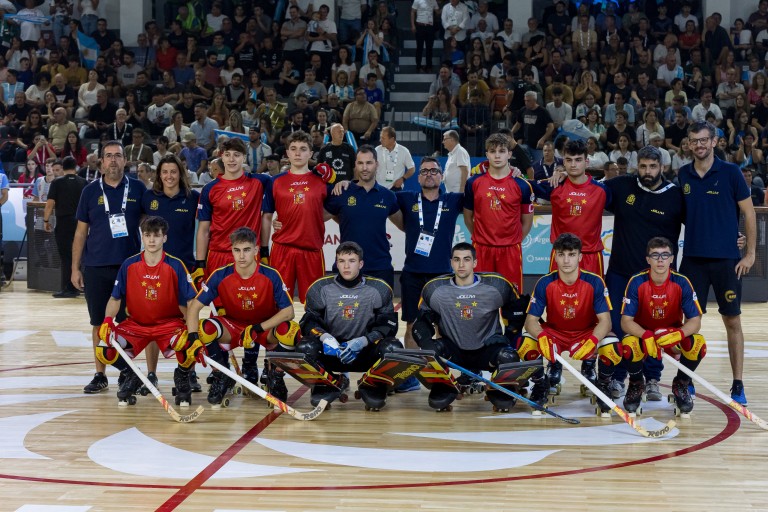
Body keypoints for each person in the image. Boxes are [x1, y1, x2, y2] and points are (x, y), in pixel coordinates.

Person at [678, 121, 756, 405]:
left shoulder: (732, 172)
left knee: (732, 320)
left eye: (703, 140)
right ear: (688, 144)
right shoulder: (683, 174)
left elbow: (748, 213)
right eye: (693, 141)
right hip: (693, 261)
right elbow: (684, 214)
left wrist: (749, 253)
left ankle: (738, 383)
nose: (698, 145)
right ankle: (684, 381)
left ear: (714, 142)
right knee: (690, 323)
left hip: (727, 261)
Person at [601, 145, 685, 400]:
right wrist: (558, 174)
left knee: (654, 329)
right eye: (643, 166)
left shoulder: (676, 195)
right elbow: (584, 190)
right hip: (620, 273)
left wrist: (734, 237)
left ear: (662, 167)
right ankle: (618, 377)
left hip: (658, 279)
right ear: (637, 165)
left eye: (653, 166)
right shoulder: (621, 186)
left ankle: (652, 379)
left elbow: (704, 222)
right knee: (617, 327)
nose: (647, 172)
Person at [94, 216, 203, 406]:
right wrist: (108, 320)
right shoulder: (129, 265)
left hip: (169, 325)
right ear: (142, 237)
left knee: (188, 341)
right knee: (104, 347)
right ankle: (131, 376)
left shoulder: (176, 265)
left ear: (165, 238)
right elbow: (115, 298)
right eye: (147, 235)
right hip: (136, 326)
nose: (152, 240)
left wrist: (194, 334)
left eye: (156, 235)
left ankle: (183, 378)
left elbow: (192, 301)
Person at [71, 140, 151, 394]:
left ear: (125, 161)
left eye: (118, 156)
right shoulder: (89, 190)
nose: (113, 160)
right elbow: (81, 233)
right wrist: (75, 267)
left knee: (129, 325)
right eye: (108, 156)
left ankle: (129, 373)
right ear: (101, 162)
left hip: (130, 267)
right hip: (95, 266)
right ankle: (100, 374)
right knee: (99, 323)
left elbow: (152, 226)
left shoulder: (138, 188)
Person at [411, 242, 527, 411]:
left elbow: (516, 313)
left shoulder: (497, 285)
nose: (461, 264)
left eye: (466, 259)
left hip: (487, 349)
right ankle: (444, 387)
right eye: (457, 260)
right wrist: (427, 345)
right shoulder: (434, 288)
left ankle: (501, 388)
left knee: (508, 356)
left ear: (475, 263)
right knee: (428, 354)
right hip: (453, 350)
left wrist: (507, 338)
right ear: (451, 263)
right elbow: (421, 322)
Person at [186, 227, 295, 405]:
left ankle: (276, 378)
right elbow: (194, 308)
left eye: (246, 250)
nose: (241, 256)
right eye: (237, 250)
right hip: (234, 327)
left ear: (256, 250)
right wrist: (192, 339)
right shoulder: (221, 275)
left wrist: (258, 328)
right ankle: (222, 375)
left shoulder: (271, 275)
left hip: (263, 327)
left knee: (290, 331)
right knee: (204, 329)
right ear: (232, 251)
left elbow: (288, 312)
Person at [195, 137, 273, 385]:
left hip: (249, 256)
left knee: (253, 309)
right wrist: (199, 264)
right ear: (221, 157)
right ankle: (223, 369)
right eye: (227, 154)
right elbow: (204, 229)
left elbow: (289, 179)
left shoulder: (259, 182)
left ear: (244, 158)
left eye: (236, 155)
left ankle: (251, 366)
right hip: (218, 256)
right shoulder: (210, 189)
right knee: (220, 314)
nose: (231, 159)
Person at [289, 241, 400, 409]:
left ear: (361, 264)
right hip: (332, 352)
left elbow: (388, 326)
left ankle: (372, 385)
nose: (346, 266)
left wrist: (363, 341)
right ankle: (328, 383)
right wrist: (325, 337)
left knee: (393, 347)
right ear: (336, 263)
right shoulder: (320, 288)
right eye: (341, 261)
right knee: (304, 347)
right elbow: (308, 322)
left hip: (364, 351)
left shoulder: (379, 288)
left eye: (352, 261)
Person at [616, 236, 706, 416]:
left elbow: (695, 320)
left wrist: (680, 334)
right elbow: (625, 322)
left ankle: (681, 384)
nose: (660, 260)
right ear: (647, 259)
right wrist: (646, 335)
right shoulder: (636, 282)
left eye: (665, 255)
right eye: (655, 255)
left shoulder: (682, 282)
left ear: (672, 258)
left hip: (671, 335)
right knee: (628, 344)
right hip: (644, 336)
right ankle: (635, 384)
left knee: (697, 343)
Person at [521, 233, 613, 410]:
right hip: (555, 333)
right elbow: (530, 321)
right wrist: (541, 336)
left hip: (586, 332)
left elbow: (605, 321)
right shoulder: (545, 282)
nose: (566, 260)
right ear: (555, 256)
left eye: (571, 254)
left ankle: (603, 385)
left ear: (580, 257)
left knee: (612, 346)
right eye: (561, 254)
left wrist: (593, 340)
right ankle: (541, 385)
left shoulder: (594, 281)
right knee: (526, 343)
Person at [261, 131, 332, 303]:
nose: (298, 153)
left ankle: (312, 331)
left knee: (315, 303)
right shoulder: (274, 181)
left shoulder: (322, 181)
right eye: (293, 149)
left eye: (302, 149)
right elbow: (267, 216)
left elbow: (334, 210)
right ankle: (279, 330)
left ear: (311, 153)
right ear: (287, 153)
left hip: (311, 250)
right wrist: (264, 249)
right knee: (278, 301)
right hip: (282, 248)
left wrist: (311, 216)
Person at [463, 133, 534, 294]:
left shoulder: (522, 185)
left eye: (502, 151)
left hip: (510, 250)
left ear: (509, 154)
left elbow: (527, 222)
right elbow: (468, 216)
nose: (497, 155)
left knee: (511, 301)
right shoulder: (473, 182)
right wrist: (480, 237)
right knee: (481, 298)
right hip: (481, 249)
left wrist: (513, 241)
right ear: (487, 154)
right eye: (492, 151)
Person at [325, 145, 403, 288]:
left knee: (383, 310)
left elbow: (405, 225)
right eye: (360, 163)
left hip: (380, 266)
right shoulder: (342, 192)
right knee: (345, 310)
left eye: (369, 163)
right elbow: (316, 217)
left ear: (377, 164)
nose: (364, 168)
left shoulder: (388, 196)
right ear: (355, 165)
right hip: (348, 267)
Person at [533, 139, 611, 276]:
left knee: (591, 297)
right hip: (561, 255)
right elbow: (521, 185)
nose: (573, 165)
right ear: (563, 162)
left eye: (578, 160)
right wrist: (514, 171)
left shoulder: (602, 190)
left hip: (590, 256)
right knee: (556, 297)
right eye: (569, 160)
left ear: (586, 162)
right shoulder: (554, 185)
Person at [42, 156, 86, 298]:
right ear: (76, 167)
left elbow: (50, 203)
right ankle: (82, 286)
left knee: (66, 256)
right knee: (81, 255)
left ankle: (69, 288)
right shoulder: (84, 182)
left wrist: (46, 220)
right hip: (81, 223)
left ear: (63, 167)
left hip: (64, 223)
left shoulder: (57, 182)